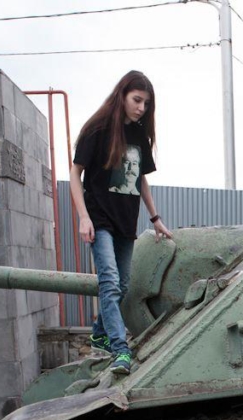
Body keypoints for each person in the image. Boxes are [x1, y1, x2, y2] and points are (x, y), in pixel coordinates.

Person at [69, 70, 172, 374]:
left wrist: (155, 218)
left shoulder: (140, 136)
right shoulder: (98, 128)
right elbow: (75, 173)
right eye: (137, 100)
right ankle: (119, 350)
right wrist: (83, 217)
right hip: (99, 218)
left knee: (123, 285)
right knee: (110, 282)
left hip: (126, 220)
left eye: (146, 104)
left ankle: (100, 332)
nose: (141, 108)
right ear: (123, 95)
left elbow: (140, 179)